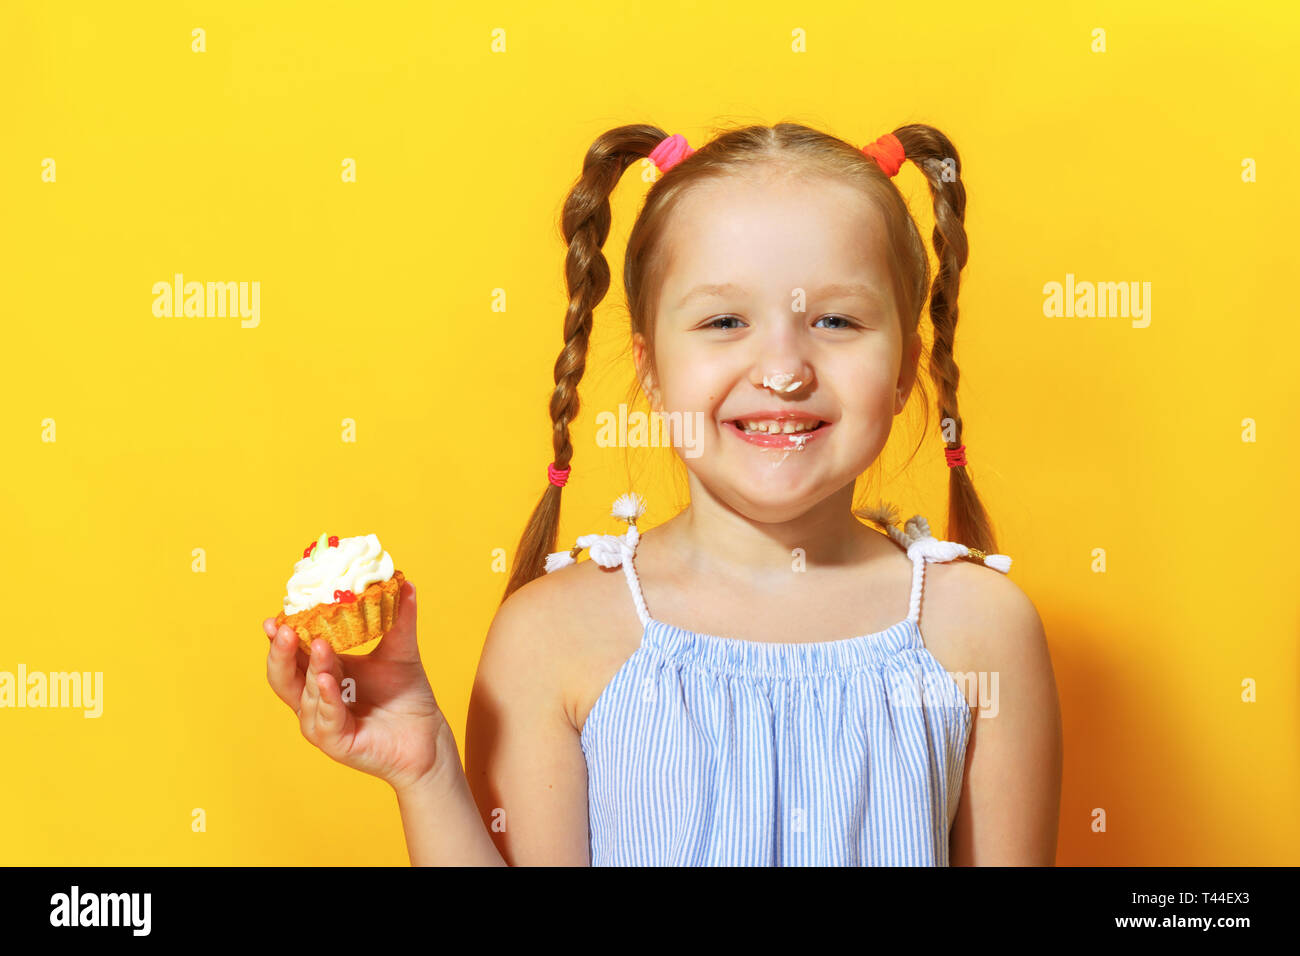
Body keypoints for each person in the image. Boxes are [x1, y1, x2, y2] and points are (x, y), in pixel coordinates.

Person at [264, 122, 1063, 865]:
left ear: (903, 369)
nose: (784, 369)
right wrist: (427, 769)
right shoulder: (554, 637)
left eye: (836, 322)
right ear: (649, 369)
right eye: (723, 322)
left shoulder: (979, 631)